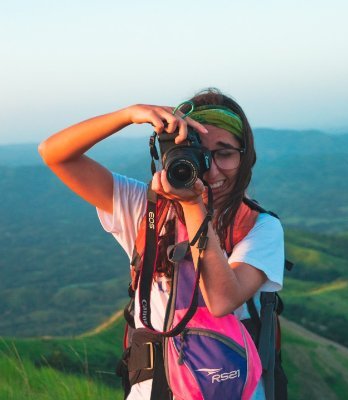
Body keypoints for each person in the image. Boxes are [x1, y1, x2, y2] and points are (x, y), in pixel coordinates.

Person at [38, 88, 285, 400]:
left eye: (224, 153)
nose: (209, 170)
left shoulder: (260, 226)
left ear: (245, 156)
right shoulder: (144, 209)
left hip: (235, 390)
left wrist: (194, 206)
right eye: (198, 154)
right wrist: (128, 114)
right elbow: (54, 153)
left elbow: (223, 301)